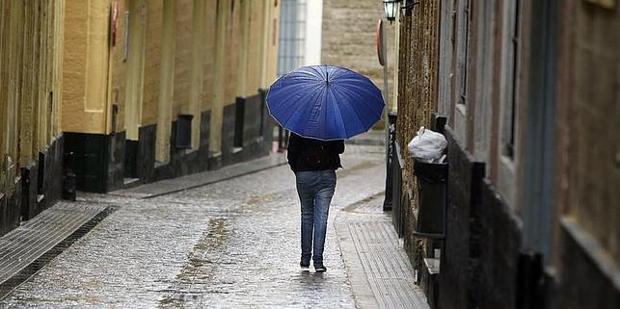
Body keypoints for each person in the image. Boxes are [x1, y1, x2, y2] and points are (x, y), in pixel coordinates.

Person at [286, 132, 345, 273]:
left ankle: (305, 258)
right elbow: (340, 148)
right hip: (326, 173)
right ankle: (318, 261)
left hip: (304, 173)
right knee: (321, 217)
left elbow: (292, 151)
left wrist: (298, 170)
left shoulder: (301, 123)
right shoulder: (332, 123)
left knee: (306, 214)